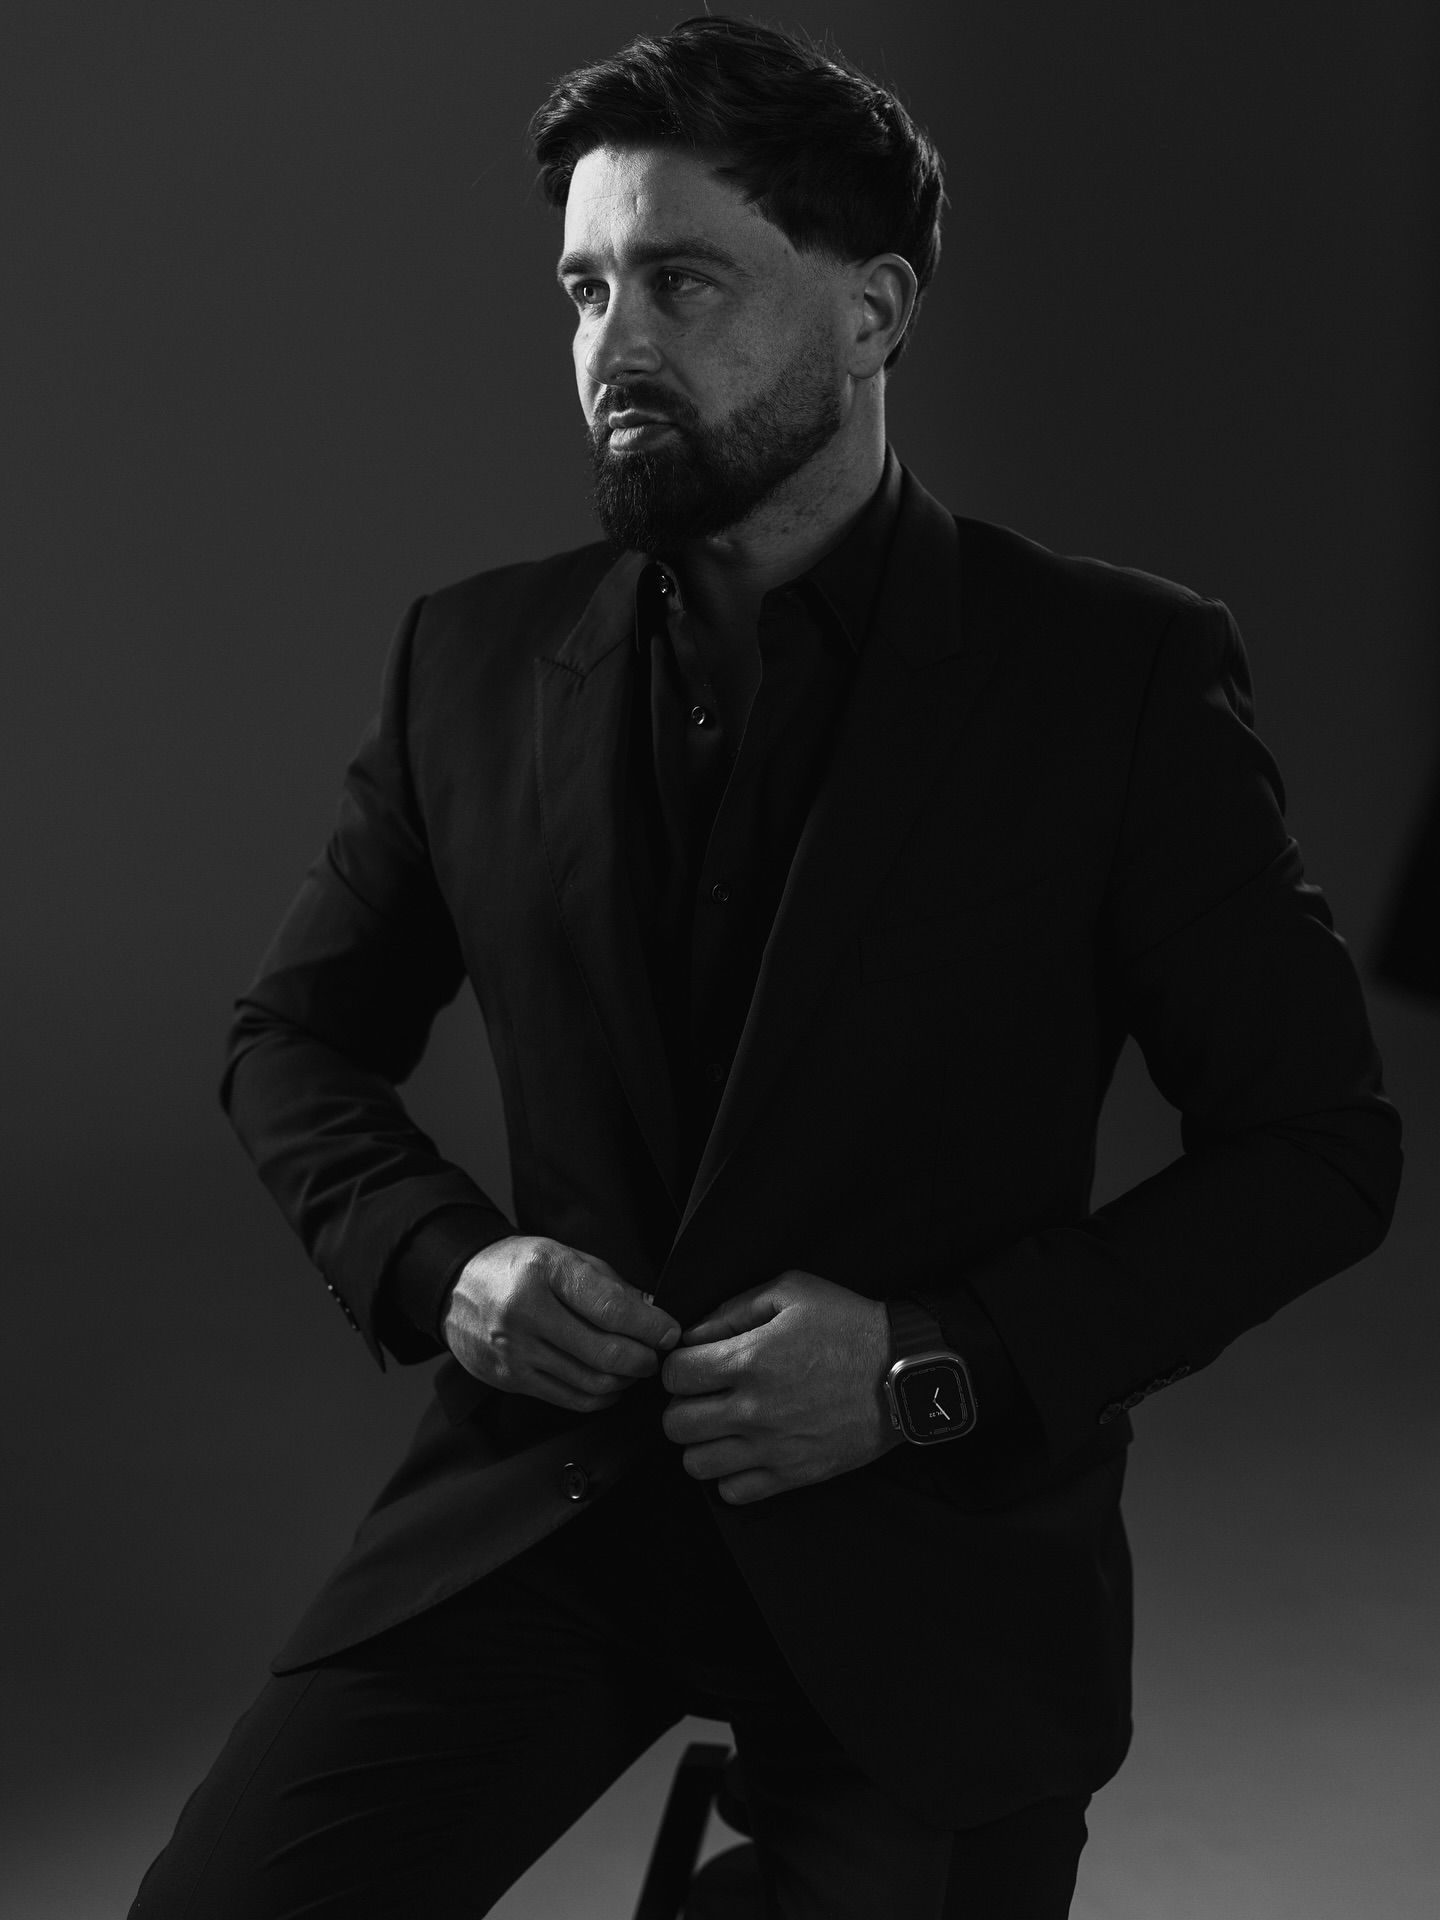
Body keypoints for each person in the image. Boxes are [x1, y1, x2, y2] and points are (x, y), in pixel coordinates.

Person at [130, 14, 1402, 1918]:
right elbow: (289, 1040)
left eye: (682, 280)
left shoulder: (1112, 678)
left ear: (873, 312)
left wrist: (919, 1371)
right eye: (583, 289)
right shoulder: (467, 663)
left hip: (926, 1558)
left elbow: (1319, 1149)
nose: (613, 343)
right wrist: (448, 1265)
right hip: (547, 1515)